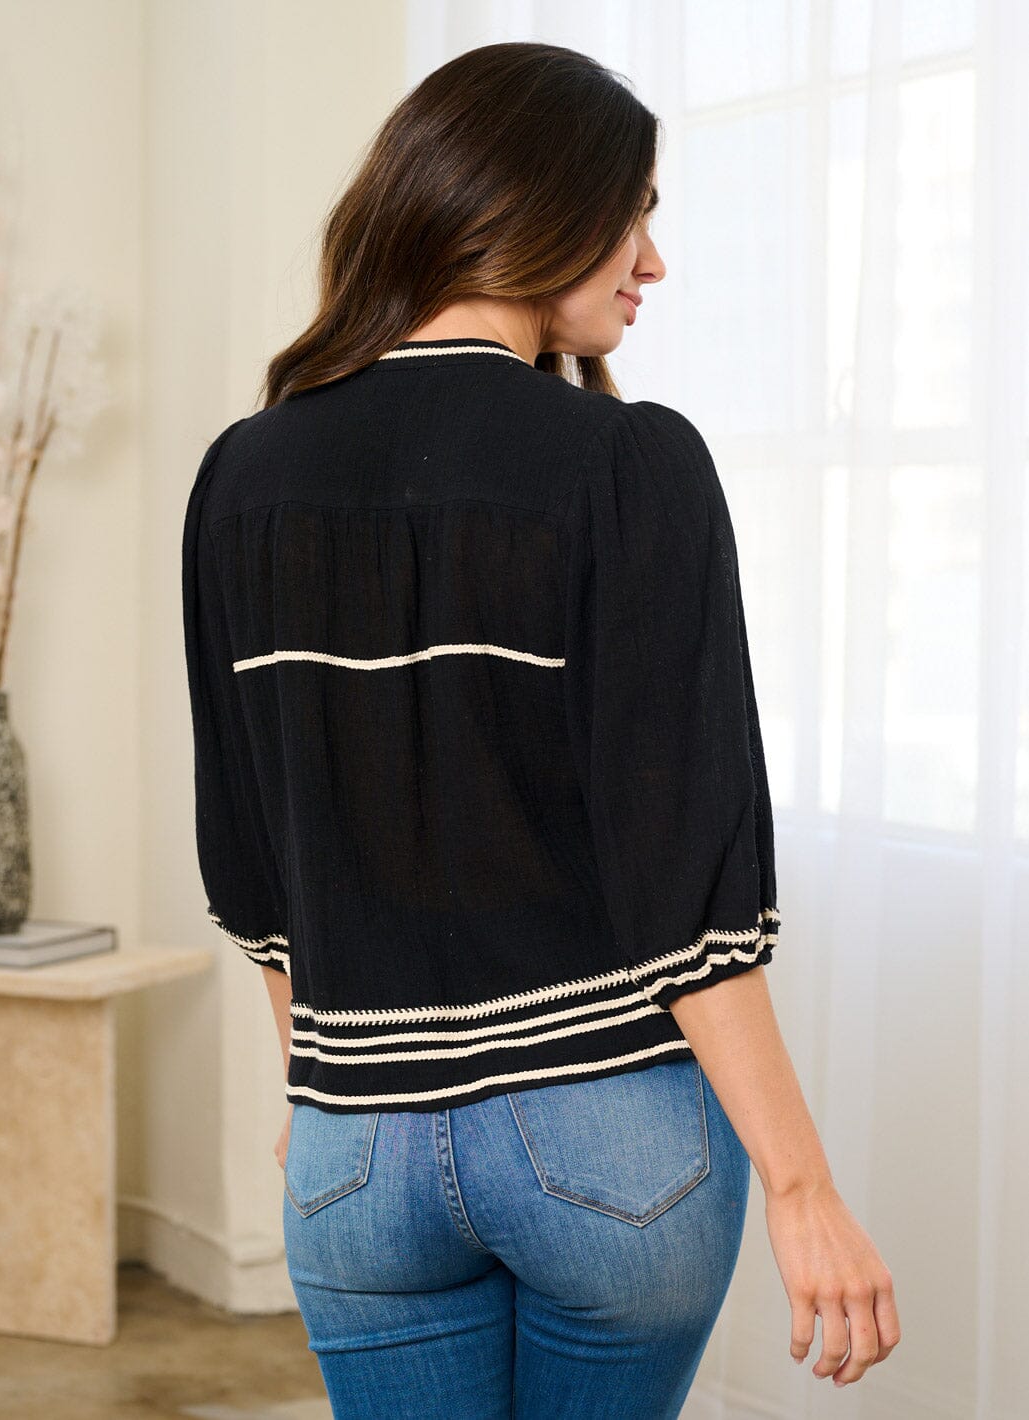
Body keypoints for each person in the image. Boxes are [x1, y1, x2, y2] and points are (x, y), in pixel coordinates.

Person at [181, 39, 900, 1420]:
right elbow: (688, 885)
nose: (652, 262)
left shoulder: (243, 475)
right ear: (534, 209)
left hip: (351, 1147)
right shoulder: (627, 465)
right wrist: (803, 1188)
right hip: (608, 1143)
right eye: (633, 215)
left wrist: (326, 1100)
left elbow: (253, 870)